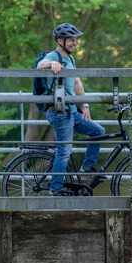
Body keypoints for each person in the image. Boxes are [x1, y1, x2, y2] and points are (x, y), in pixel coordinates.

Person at [37, 23, 106, 196]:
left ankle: (87, 167)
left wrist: (84, 104)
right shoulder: (54, 55)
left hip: (72, 112)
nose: (75, 43)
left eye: (76, 40)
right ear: (60, 41)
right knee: (64, 151)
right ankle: (55, 189)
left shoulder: (70, 59)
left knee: (98, 131)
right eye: (71, 40)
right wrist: (51, 63)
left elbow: (77, 82)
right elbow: (40, 65)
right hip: (59, 112)